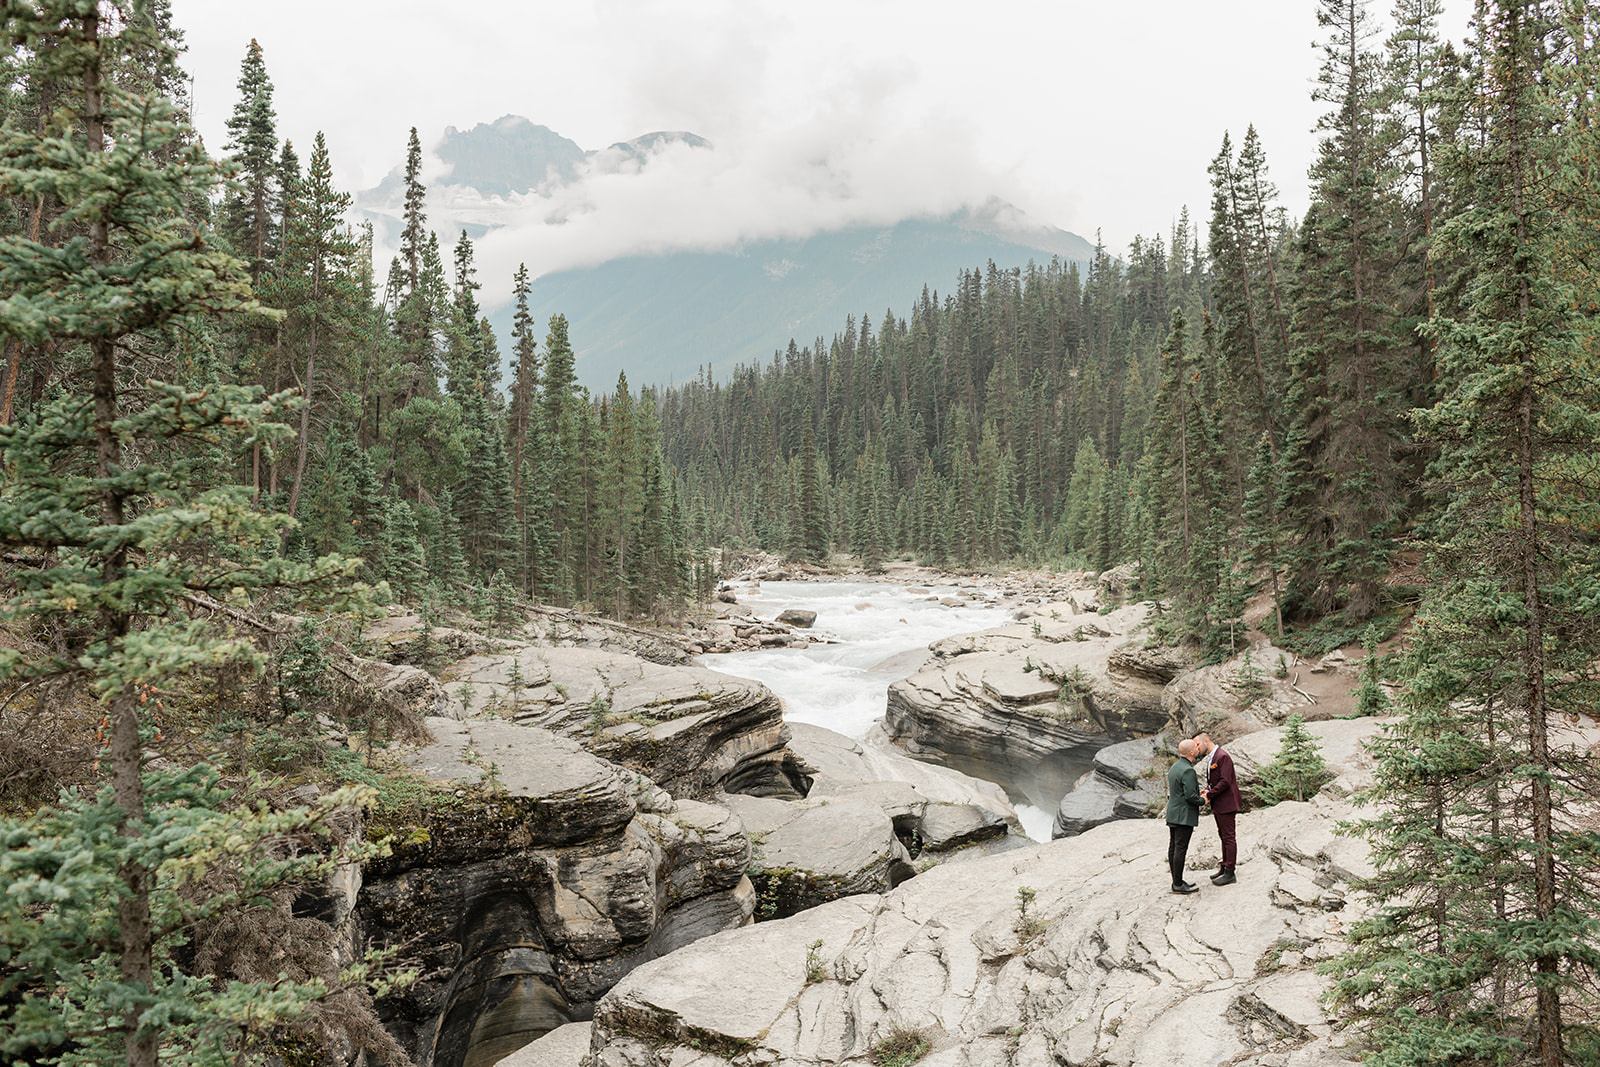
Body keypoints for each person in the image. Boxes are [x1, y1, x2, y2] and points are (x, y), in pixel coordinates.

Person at [1195, 731, 1239, 885]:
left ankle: (1230, 873)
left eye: (1198, 744)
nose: (1197, 748)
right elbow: (1214, 780)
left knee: (1228, 837)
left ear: (1206, 741)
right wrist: (1207, 789)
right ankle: (1225, 866)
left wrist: (1210, 795)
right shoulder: (1212, 757)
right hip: (1219, 804)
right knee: (1223, 836)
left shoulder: (1222, 756)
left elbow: (1225, 781)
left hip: (1226, 804)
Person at [1166, 738, 1202, 893]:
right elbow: (1190, 797)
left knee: (1173, 847)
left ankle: (1177, 880)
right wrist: (1203, 799)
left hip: (1173, 812)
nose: (1198, 746)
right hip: (1183, 815)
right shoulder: (1188, 770)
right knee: (1180, 848)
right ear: (1192, 752)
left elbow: (1181, 791)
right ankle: (1178, 885)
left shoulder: (1175, 767)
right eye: (1196, 746)